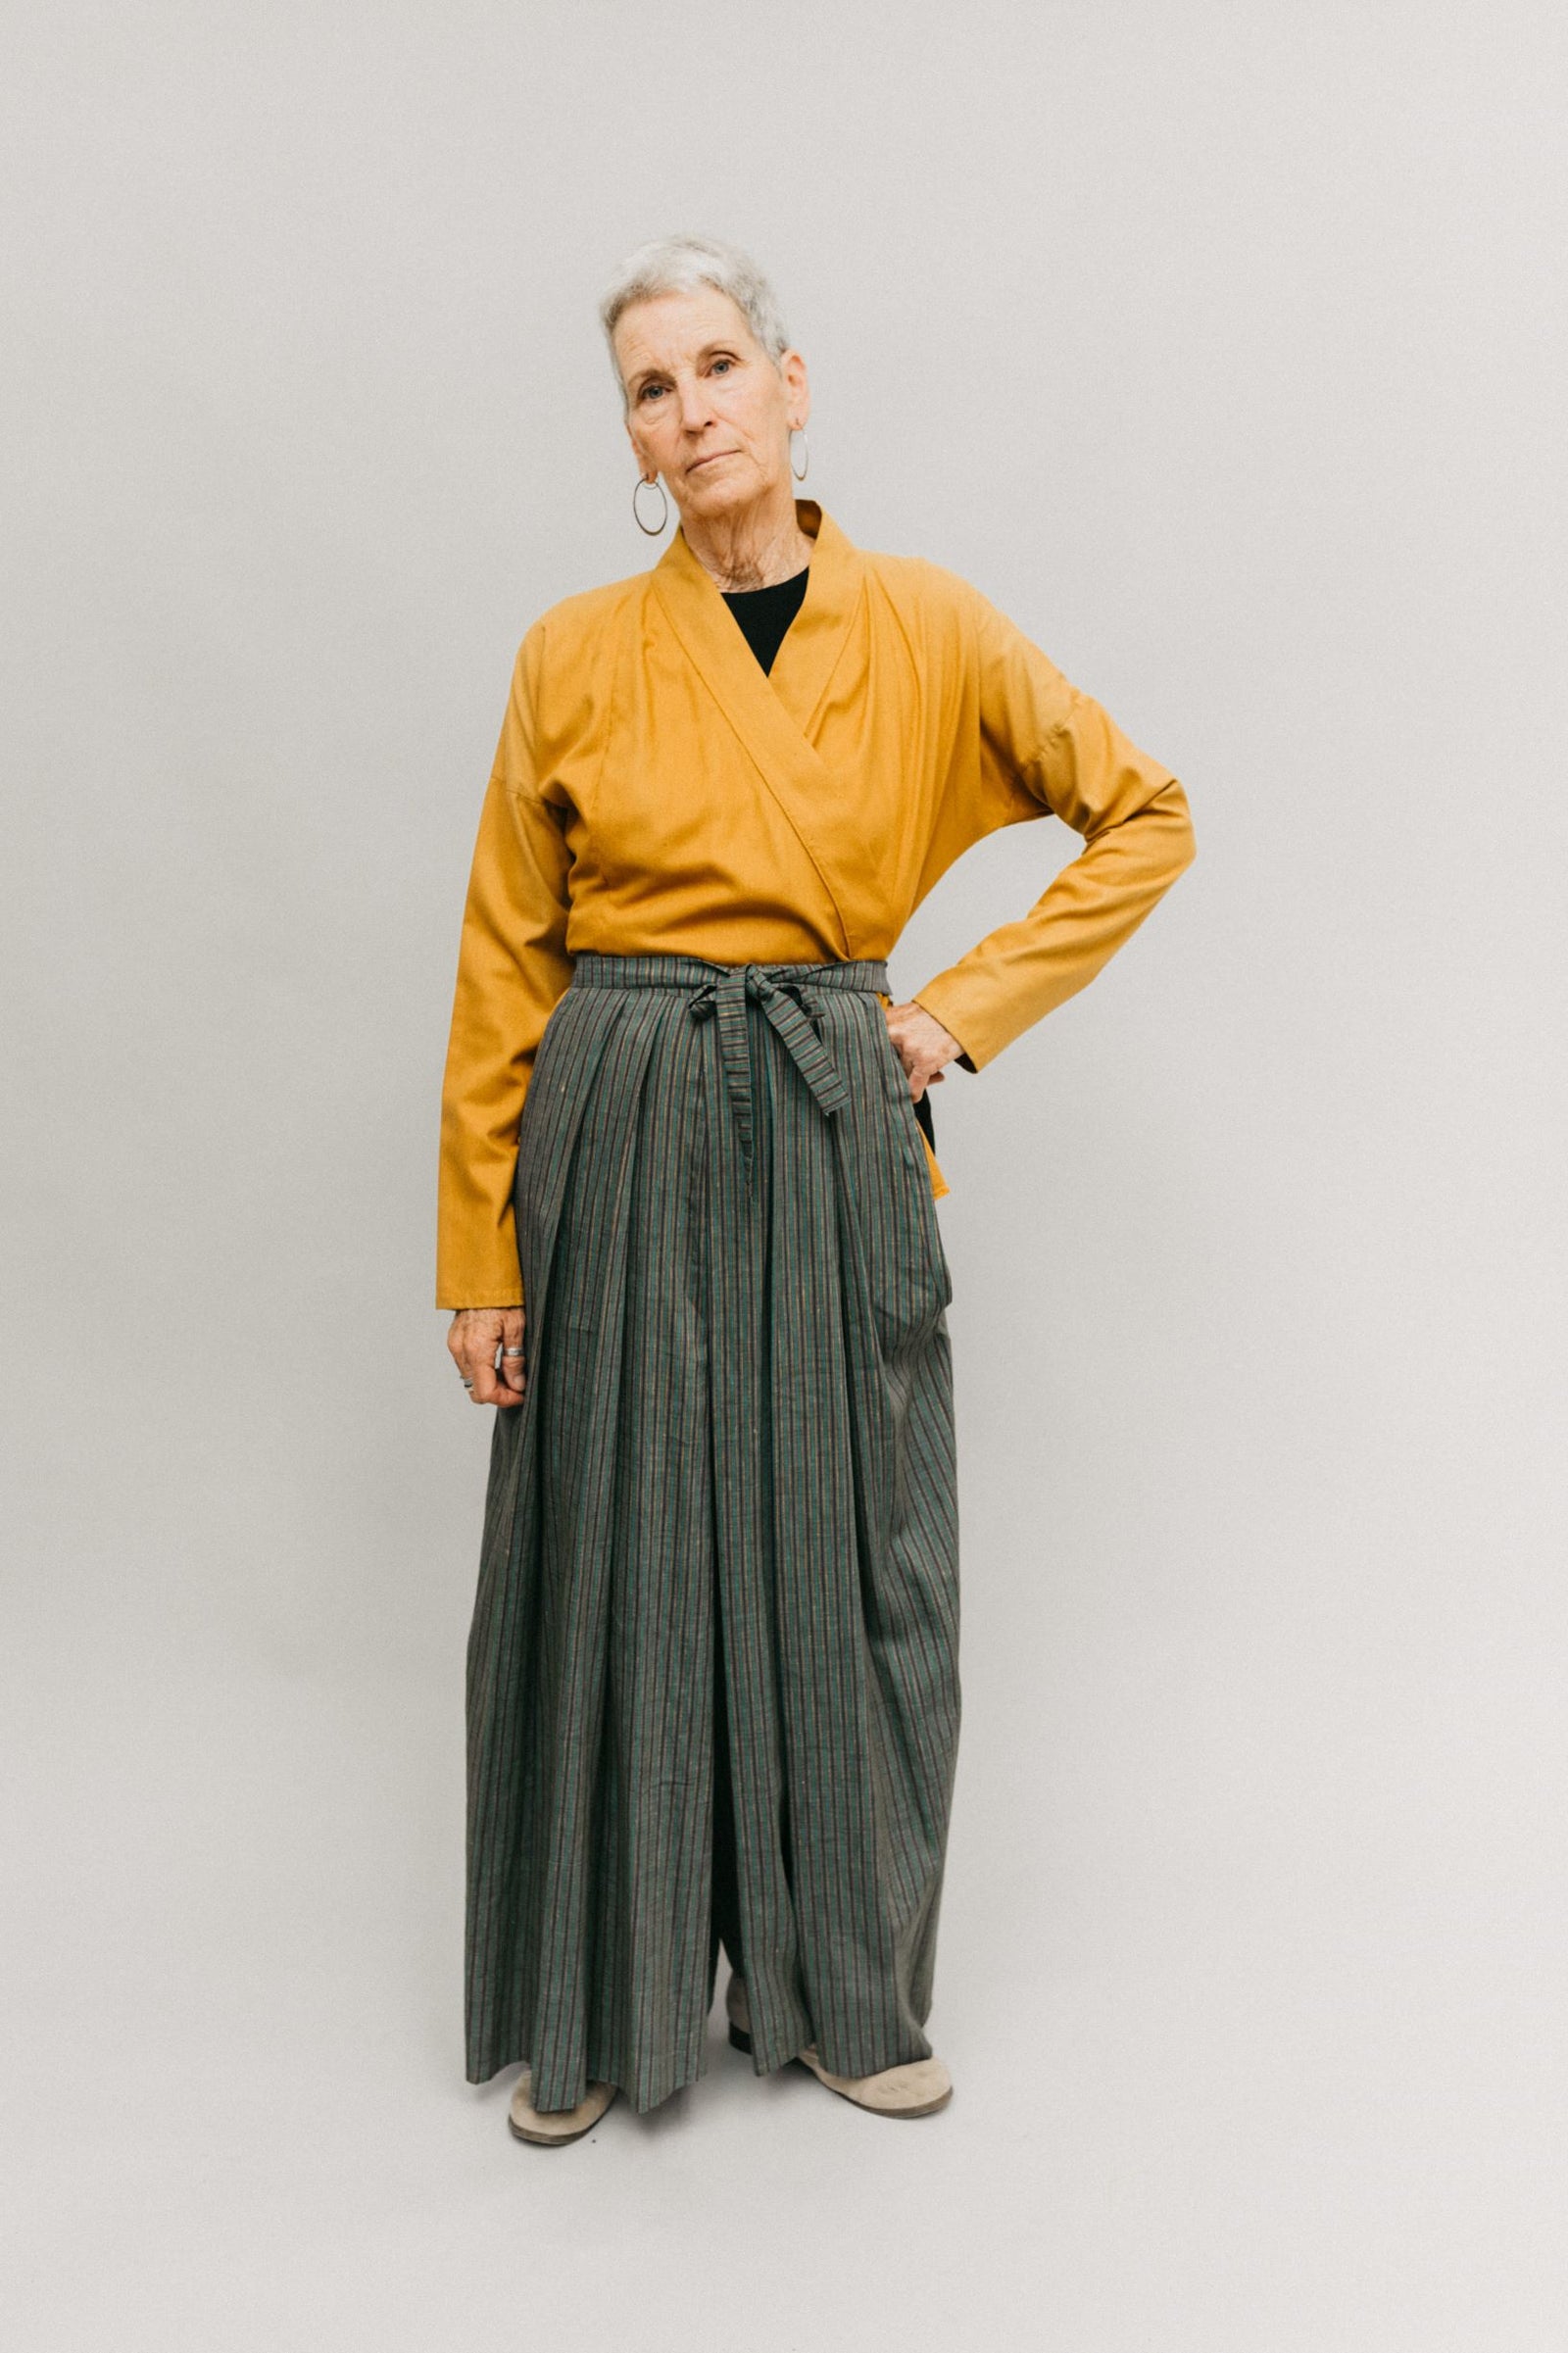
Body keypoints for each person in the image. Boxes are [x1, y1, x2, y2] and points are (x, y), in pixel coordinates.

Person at [437, 232, 1196, 2147]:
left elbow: (1140, 814)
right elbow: (503, 959)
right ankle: (601, 2007)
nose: (686, 410)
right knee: (611, 1546)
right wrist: (477, 1255)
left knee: (854, 1548)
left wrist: (951, 1013)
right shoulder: (568, 652)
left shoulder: (928, 623)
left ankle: (849, 1988)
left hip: (827, 1103)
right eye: (646, 386)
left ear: (788, 383)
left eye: (713, 367)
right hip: (610, 1113)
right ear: (629, 430)